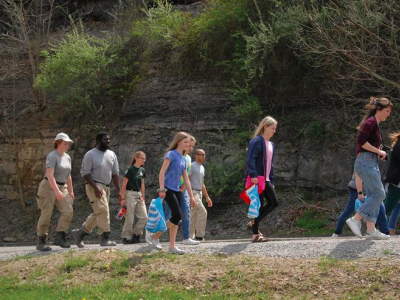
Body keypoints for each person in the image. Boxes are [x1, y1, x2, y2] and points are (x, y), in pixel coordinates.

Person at [346, 97, 393, 239]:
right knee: (380, 194)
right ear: (379, 109)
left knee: (374, 195)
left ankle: (371, 230)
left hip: (370, 161)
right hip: (366, 162)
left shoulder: (375, 124)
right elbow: (361, 141)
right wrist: (379, 152)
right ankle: (355, 219)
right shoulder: (371, 122)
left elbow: (366, 144)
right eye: (387, 111)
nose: (389, 114)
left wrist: (377, 153)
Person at [146, 132, 196, 254]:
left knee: (175, 219)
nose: (188, 144)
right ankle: (154, 236)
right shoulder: (171, 154)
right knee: (177, 215)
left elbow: (186, 179)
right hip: (168, 189)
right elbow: (162, 172)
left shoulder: (184, 159)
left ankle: (172, 247)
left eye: (189, 142)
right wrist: (162, 189)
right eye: (185, 142)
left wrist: (191, 196)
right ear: (178, 142)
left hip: (178, 190)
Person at [73, 132, 121, 247]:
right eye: (105, 140)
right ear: (98, 141)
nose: (108, 142)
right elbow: (84, 173)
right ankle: (105, 238)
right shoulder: (90, 154)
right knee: (103, 210)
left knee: (98, 212)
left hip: (106, 187)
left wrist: (119, 191)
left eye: (109, 140)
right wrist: (95, 187)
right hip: (94, 186)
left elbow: (115, 174)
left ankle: (81, 232)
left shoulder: (112, 154)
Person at [36, 133, 74, 251]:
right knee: (46, 214)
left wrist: (71, 191)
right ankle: (41, 241)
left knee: (68, 211)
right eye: (65, 143)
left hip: (63, 187)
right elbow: (50, 175)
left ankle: (60, 237)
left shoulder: (67, 157)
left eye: (68, 144)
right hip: (48, 187)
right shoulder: (52, 156)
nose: (67, 145)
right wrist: (56, 191)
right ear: (57, 143)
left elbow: (68, 175)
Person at [246, 116, 279, 242]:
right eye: (272, 128)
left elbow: (270, 164)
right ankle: (255, 235)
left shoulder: (271, 144)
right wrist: (253, 175)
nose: (274, 131)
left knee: (274, 203)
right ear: (265, 126)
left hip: (266, 179)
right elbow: (250, 159)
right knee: (257, 206)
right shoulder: (256, 141)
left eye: (275, 129)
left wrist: (272, 180)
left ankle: (253, 222)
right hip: (257, 178)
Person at [165, 135, 199, 245]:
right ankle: (157, 234)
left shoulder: (187, 158)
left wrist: (188, 192)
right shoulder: (173, 155)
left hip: (182, 189)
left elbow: (187, 176)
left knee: (185, 212)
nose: (190, 148)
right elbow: (166, 173)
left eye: (192, 146)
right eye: (188, 145)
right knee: (169, 213)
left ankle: (186, 237)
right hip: (171, 188)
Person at [332, 172, 389, 237]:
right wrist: (360, 193)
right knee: (349, 211)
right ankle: (337, 232)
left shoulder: (374, 162)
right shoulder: (362, 162)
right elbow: (358, 176)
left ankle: (385, 232)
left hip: (372, 191)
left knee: (380, 208)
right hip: (358, 189)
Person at [120, 151, 148, 244]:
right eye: (142, 158)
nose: (143, 160)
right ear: (136, 158)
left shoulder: (142, 170)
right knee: (129, 218)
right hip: (130, 194)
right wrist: (123, 198)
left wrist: (143, 196)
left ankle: (136, 234)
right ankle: (126, 237)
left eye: (144, 159)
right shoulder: (130, 170)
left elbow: (142, 184)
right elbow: (124, 184)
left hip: (138, 194)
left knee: (144, 217)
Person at [189, 148, 213, 241]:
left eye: (204, 155)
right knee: (203, 212)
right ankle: (199, 236)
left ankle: (190, 237)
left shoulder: (202, 168)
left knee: (193, 215)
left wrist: (207, 197)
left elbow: (202, 183)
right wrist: (190, 194)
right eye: (201, 155)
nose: (204, 157)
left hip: (199, 193)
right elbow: (187, 179)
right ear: (196, 156)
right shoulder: (191, 166)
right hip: (193, 192)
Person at [383, 132, 400, 235]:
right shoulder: (398, 148)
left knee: (394, 207)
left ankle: (389, 228)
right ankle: (371, 225)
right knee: (388, 206)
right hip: (396, 183)